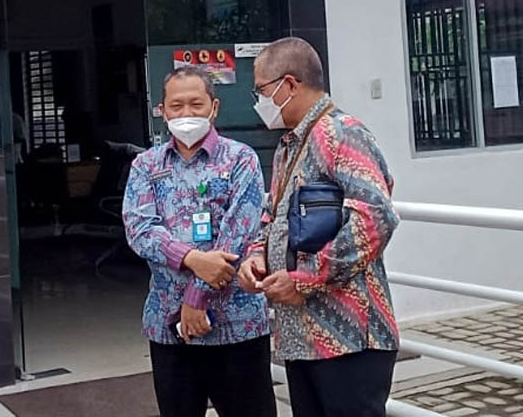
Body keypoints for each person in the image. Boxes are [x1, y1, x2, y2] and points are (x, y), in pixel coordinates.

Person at [238, 37, 400, 417]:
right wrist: (256, 257)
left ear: (289, 84)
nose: (259, 101)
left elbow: (374, 218)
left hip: (348, 338)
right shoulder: (290, 145)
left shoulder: (343, 133)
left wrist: (305, 279)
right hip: (302, 338)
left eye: (261, 89)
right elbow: (272, 216)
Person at [122, 66, 275, 417]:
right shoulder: (146, 166)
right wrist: (191, 258)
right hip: (169, 327)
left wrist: (195, 299)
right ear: (162, 110)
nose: (186, 113)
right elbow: (140, 229)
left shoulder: (241, 159)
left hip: (238, 326)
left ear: (214, 108)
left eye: (196, 104)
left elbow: (239, 232)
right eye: (176, 106)